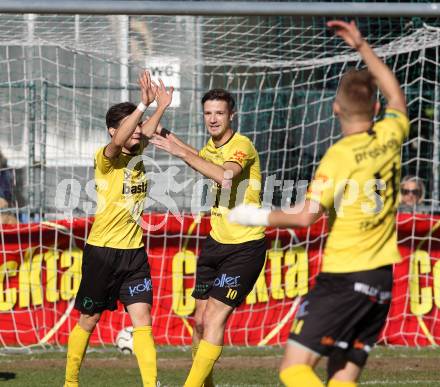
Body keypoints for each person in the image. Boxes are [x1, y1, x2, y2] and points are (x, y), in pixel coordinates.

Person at [229, 20, 408, 387]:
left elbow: (306, 217)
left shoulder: (338, 157)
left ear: (335, 109)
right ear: (375, 107)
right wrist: (362, 46)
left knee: (294, 369)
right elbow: (398, 97)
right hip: (381, 278)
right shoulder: (391, 135)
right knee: (342, 378)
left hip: (345, 276)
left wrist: (254, 214)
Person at [150, 89, 267, 387]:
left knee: (214, 317)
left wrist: (182, 153)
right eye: (208, 113)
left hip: (245, 247)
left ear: (232, 115)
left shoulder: (242, 146)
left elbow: (225, 176)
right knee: (200, 322)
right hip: (215, 242)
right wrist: (158, 108)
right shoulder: (211, 147)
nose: (213, 119)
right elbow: (173, 143)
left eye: (219, 113)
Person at [64, 71, 173, 387]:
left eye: (138, 126)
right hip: (103, 253)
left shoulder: (136, 152)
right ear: (114, 130)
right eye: (131, 126)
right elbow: (118, 141)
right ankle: (70, 382)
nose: (138, 131)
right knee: (90, 319)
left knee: (143, 323)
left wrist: (160, 107)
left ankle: (151, 385)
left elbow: (144, 133)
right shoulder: (106, 157)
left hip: (134, 257)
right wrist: (143, 103)